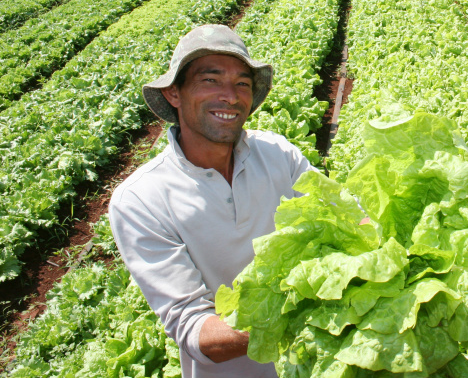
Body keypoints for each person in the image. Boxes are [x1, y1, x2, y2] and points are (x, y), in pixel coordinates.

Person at [109, 25, 314, 378]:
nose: (231, 97)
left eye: (242, 83)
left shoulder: (280, 155)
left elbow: (345, 222)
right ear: (174, 93)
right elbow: (195, 328)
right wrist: (306, 317)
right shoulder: (141, 199)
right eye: (210, 80)